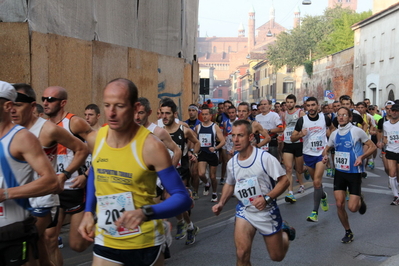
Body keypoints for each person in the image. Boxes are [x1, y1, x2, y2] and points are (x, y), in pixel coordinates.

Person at [78, 78, 191, 265]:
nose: (111, 113)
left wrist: (146, 212)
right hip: (106, 239)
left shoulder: (151, 146)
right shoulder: (95, 139)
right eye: (107, 105)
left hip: (144, 244)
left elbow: (182, 197)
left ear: (134, 107)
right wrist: (89, 211)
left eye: (119, 106)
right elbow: (95, 174)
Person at [11, 83, 89, 266]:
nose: (13, 110)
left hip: (44, 197)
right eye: (10, 105)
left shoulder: (48, 129)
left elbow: (82, 149)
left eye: (18, 105)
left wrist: (65, 174)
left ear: (31, 107)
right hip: (19, 197)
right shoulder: (8, 129)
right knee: (42, 245)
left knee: (27, 247)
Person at [212, 120, 295, 265]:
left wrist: (266, 199)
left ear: (250, 137)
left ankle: (285, 232)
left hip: (266, 211)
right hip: (245, 211)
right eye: (233, 135)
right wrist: (221, 202)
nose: (235, 140)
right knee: (241, 253)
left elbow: (284, 181)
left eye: (240, 135)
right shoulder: (232, 163)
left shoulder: (265, 158)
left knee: (277, 256)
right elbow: (230, 184)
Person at [0, 81, 60, 266]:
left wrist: (5, 194)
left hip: (14, 231)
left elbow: (52, 183)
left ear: (7, 105)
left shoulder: (22, 137)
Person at [42, 86, 93, 266]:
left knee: (77, 245)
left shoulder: (75, 123)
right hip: (53, 190)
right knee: (49, 240)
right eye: (43, 99)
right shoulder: (43, 126)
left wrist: (86, 175)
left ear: (62, 103)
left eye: (50, 99)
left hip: (74, 187)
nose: (45, 103)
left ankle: (100, 225)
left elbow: (99, 151)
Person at [322, 107, 374, 243]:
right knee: (339, 204)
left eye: (344, 115)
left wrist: (362, 157)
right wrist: (325, 156)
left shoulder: (357, 131)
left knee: (352, 208)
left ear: (350, 117)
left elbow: (372, 146)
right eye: (339, 115)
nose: (341, 117)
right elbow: (327, 148)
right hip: (339, 172)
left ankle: (359, 201)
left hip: (354, 172)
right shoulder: (334, 134)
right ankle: (348, 231)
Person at [160, 99, 201, 245]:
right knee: (168, 202)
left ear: (175, 114)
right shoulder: (158, 130)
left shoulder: (183, 130)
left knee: (170, 198)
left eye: (167, 113)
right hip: (162, 170)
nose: (164, 116)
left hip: (180, 170)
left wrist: (193, 154)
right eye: (162, 113)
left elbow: (197, 143)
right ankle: (189, 226)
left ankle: (167, 239)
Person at [291, 97, 332, 222]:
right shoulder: (302, 121)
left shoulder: (324, 118)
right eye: (308, 105)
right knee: (316, 182)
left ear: (318, 106)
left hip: (321, 154)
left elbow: (332, 131)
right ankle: (323, 195)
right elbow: (292, 138)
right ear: (305, 107)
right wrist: (300, 135)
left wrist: (327, 147)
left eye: (313, 105)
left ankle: (315, 212)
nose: (311, 108)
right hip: (308, 154)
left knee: (316, 182)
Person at [195, 105, 225, 202]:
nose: (204, 116)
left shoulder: (214, 127)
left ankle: (214, 193)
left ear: (210, 115)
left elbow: (223, 141)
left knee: (213, 176)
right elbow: (195, 141)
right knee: (201, 173)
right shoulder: (198, 127)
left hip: (212, 154)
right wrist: (194, 152)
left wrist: (215, 148)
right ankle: (207, 183)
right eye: (203, 114)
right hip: (202, 153)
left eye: (206, 114)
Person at [281, 94, 308, 203]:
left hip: (298, 143)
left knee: (299, 169)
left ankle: (304, 175)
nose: (289, 104)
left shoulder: (300, 113)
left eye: (291, 102)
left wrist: (301, 134)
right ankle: (290, 193)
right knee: (288, 168)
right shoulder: (284, 114)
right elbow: (285, 127)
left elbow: (306, 127)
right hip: (288, 143)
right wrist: (282, 136)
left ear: (295, 102)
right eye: (287, 102)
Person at [382, 103, 399, 205]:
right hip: (391, 150)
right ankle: (396, 195)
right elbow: (385, 137)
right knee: (391, 173)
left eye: (396, 111)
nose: (394, 112)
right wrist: (382, 142)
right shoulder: (386, 124)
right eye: (393, 110)